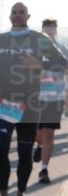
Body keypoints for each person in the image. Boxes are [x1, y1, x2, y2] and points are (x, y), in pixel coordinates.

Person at [0, 2, 68, 196]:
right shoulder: (1, 39)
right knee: (1, 150)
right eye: (14, 12)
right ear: (10, 16)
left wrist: (39, 65)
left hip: (30, 105)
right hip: (4, 103)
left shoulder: (39, 39)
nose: (18, 15)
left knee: (24, 153)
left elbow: (62, 63)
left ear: (28, 16)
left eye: (22, 12)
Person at [36, 18, 68, 183]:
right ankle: (39, 146)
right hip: (36, 96)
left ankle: (44, 169)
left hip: (55, 97)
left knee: (49, 132)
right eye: (46, 29)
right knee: (38, 132)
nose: (49, 31)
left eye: (52, 28)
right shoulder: (35, 50)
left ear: (55, 30)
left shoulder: (62, 50)